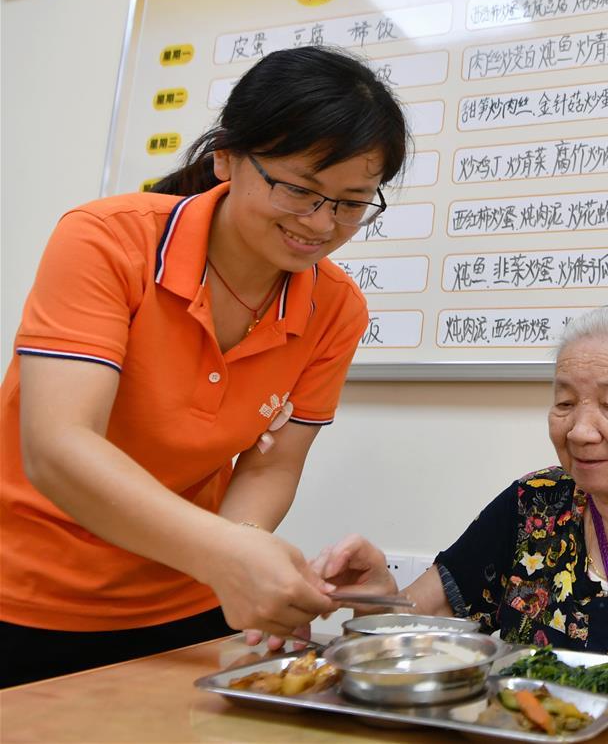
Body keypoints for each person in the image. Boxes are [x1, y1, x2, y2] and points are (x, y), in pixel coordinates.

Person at [0, 46, 408, 687]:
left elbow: (272, 464)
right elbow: (58, 445)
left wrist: (246, 563)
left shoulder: (336, 308)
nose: (321, 223)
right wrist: (228, 555)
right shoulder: (106, 241)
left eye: (352, 202)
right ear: (225, 157)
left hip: (187, 607)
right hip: (26, 601)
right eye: (298, 188)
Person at [312, 305, 608, 686]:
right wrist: (376, 601)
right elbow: (419, 626)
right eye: (564, 402)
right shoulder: (532, 503)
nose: (580, 431)